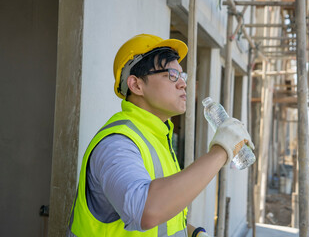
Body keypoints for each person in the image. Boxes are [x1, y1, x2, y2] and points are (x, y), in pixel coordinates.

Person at [67, 34, 254, 237]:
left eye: (183, 77)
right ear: (136, 85)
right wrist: (221, 151)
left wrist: (192, 233)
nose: (183, 84)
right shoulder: (117, 144)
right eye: (172, 74)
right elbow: (146, 211)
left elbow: (164, 217)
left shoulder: (157, 138)